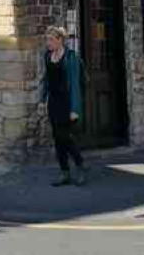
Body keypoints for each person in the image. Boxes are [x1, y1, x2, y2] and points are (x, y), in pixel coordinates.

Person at [39, 25, 86, 186]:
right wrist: (42, 99)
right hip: (54, 102)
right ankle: (64, 172)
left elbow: (74, 85)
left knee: (66, 137)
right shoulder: (47, 55)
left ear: (60, 40)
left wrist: (75, 109)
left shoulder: (70, 57)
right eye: (47, 39)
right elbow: (46, 80)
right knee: (57, 139)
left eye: (51, 39)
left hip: (67, 102)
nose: (48, 43)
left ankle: (80, 166)